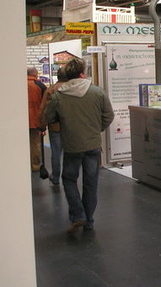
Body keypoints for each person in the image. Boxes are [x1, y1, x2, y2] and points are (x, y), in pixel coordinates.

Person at [44, 57, 114, 233]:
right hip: (93, 145)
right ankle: (89, 220)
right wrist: (96, 129)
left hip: (71, 146)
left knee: (69, 179)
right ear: (83, 73)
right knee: (91, 183)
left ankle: (78, 215)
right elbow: (109, 115)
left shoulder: (59, 95)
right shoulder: (97, 92)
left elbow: (49, 118)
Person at [38, 67, 68, 186]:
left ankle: (55, 177)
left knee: (56, 153)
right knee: (70, 153)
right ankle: (69, 177)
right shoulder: (73, 88)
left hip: (55, 126)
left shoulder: (51, 89)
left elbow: (43, 109)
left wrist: (42, 125)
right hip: (71, 126)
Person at [27, 66, 47, 172]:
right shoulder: (40, 86)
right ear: (35, 74)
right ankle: (35, 166)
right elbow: (45, 105)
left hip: (21, 121)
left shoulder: (18, 84)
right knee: (35, 144)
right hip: (35, 120)